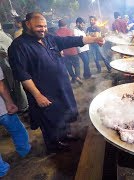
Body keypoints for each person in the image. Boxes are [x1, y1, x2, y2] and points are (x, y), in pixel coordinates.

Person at [8, 12, 106, 153]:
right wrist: (38, 96)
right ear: (28, 24)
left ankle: (65, 136)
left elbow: (70, 40)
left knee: (64, 114)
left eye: (45, 26)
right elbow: (23, 75)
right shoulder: (18, 47)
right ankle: (54, 146)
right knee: (50, 121)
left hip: (61, 87)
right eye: (39, 26)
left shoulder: (48, 38)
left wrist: (94, 39)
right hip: (44, 93)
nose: (43, 29)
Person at [0, 66, 31, 178]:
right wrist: (9, 102)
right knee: (17, 130)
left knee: (17, 130)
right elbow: (1, 86)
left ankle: (1, 170)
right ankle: (25, 152)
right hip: (1, 109)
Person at [0, 23, 28, 112]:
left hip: (8, 65)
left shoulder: (2, 36)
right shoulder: (5, 35)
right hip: (11, 63)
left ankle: (24, 107)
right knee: (16, 85)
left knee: (16, 86)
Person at [56, 19, 83, 85]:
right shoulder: (70, 31)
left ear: (58, 25)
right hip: (73, 51)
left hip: (65, 53)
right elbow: (75, 41)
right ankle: (77, 77)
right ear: (66, 25)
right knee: (76, 65)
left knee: (68, 66)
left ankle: (73, 77)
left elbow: (57, 44)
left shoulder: (57, 33)